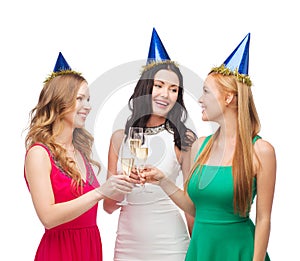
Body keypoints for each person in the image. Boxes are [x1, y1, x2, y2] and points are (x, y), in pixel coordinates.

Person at [142, 33, 276, 261]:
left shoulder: (261, 150)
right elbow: (194, 208)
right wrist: (162, 180)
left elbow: (264, 219)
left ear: (229, 98)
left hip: (240, 252)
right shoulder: (199, 146)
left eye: (206, 92)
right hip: (201, 252)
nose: (200, 100)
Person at [24, 52, 134, 261]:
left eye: (88, 99)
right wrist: (100, 192)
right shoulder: (39, 153)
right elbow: (48, 217)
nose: (88, 106)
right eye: (80, 99)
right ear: (59, 102)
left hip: (89, 248)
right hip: (60, 252)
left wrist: (119, 186)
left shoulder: (80, 152)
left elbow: (100, 206)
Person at [103, 28, 197, 261]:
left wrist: (199, 249)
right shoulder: (118, 138)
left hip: (170, 244)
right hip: (127, 245)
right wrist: (121, 186)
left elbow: (191, 205)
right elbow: (108, 206)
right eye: (159, 85)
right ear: (146, 88)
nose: (166, 94)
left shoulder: (184, 140)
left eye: (174, 89)